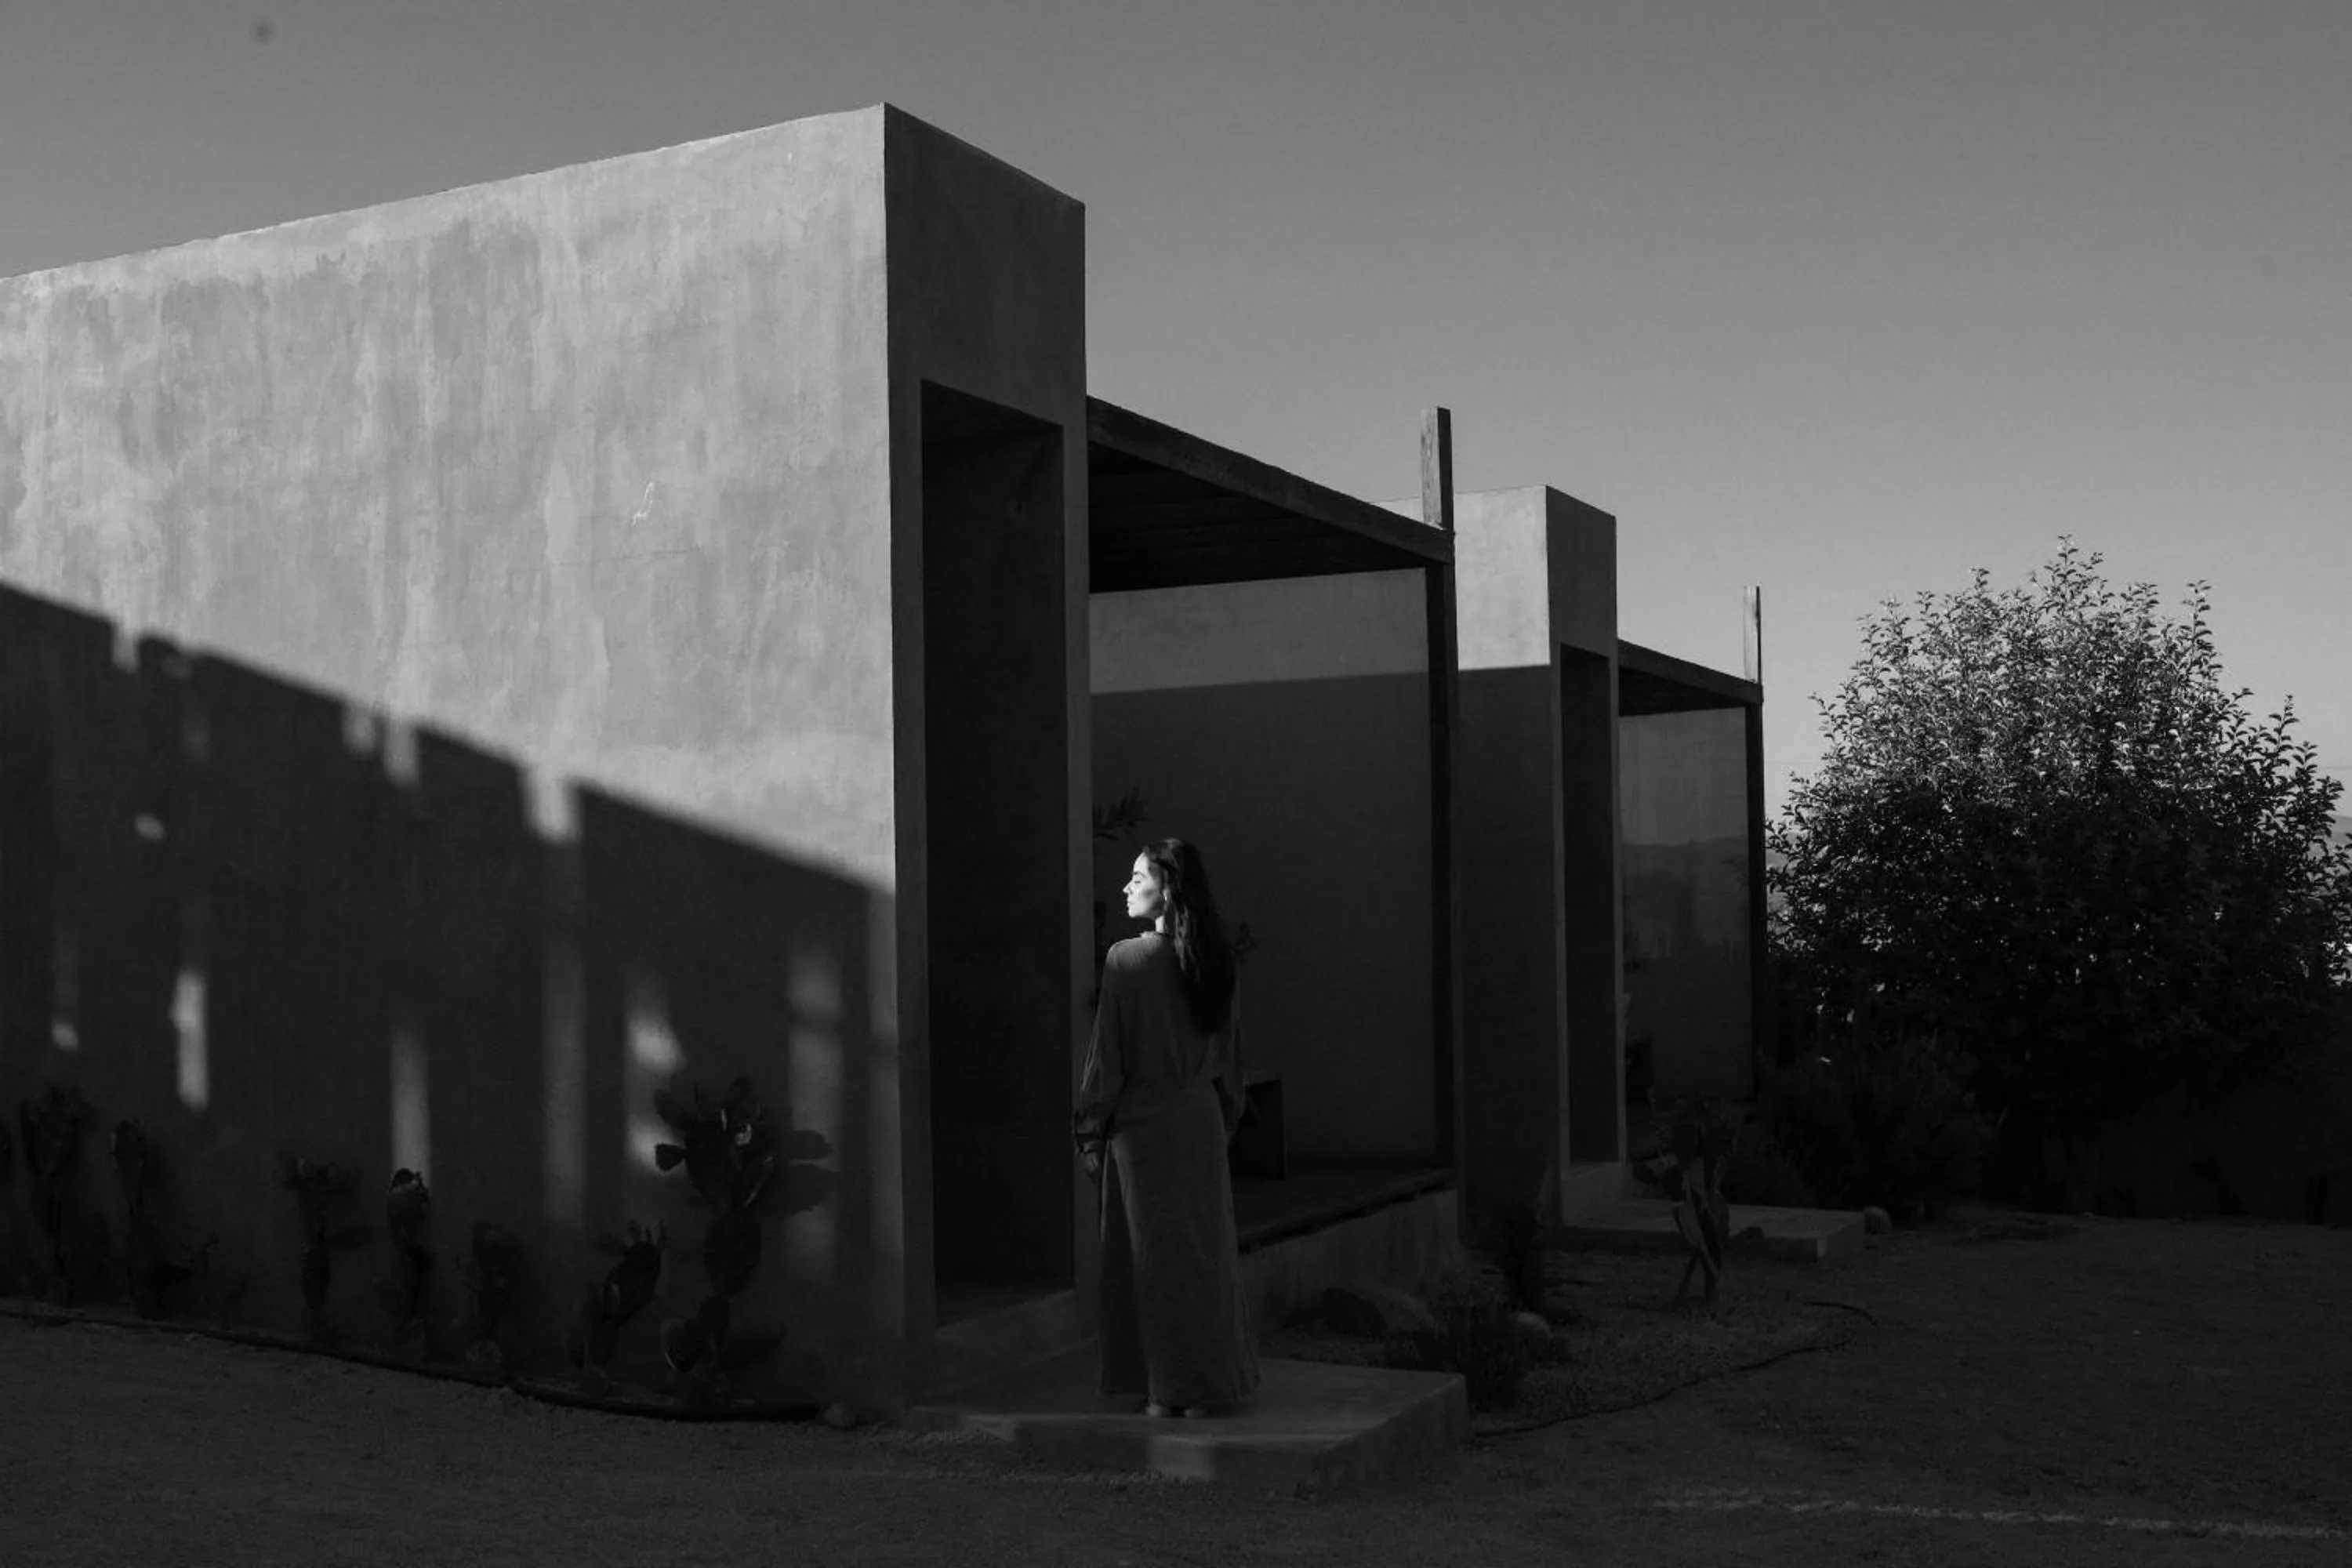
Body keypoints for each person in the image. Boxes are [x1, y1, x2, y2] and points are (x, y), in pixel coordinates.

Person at [1073, 837, 1260, 1418]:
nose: (1126, 887)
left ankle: (1162, 1388)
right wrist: (1223, 1117)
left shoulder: (1125, 961)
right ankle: (1206, 1385)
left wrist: (1090, 1128)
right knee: (1202, 1259)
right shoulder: (1217, 962)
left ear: (1168, 889)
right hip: (1198, 1124)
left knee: (1147, 1260)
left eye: (1137, 877)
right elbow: (1232, 1056)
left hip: (1143, 1130)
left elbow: (1109, 1056)